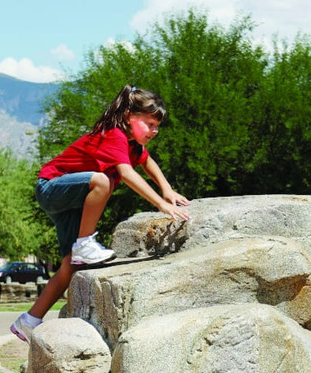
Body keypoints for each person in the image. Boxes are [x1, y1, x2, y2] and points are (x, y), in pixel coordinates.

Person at [10, 84, 191, 342]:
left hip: (73, 202)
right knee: (102, 182)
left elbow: (147, 161)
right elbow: (127, 174)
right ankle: (85, 243)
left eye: (156, 126)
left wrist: (167, 189)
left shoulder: (133, 145)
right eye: (149, 123)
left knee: (70, 265)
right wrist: (162, 205)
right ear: (129, 116)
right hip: (51, 188)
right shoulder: (114, 135)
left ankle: (29, 321)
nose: (154, 131)